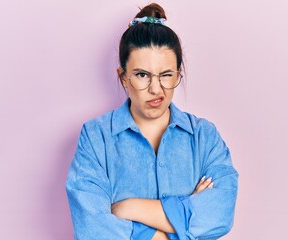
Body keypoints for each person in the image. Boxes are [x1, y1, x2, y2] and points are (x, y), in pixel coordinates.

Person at [65, 3, 238, 240]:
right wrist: (180, 223)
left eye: (166, 75)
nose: (156, 89)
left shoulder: (203, 136)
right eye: (141, 75)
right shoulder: (96, 137)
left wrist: (130, 208)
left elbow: (219, 215)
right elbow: (92, 230)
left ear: (179, 74)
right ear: (123, 77)